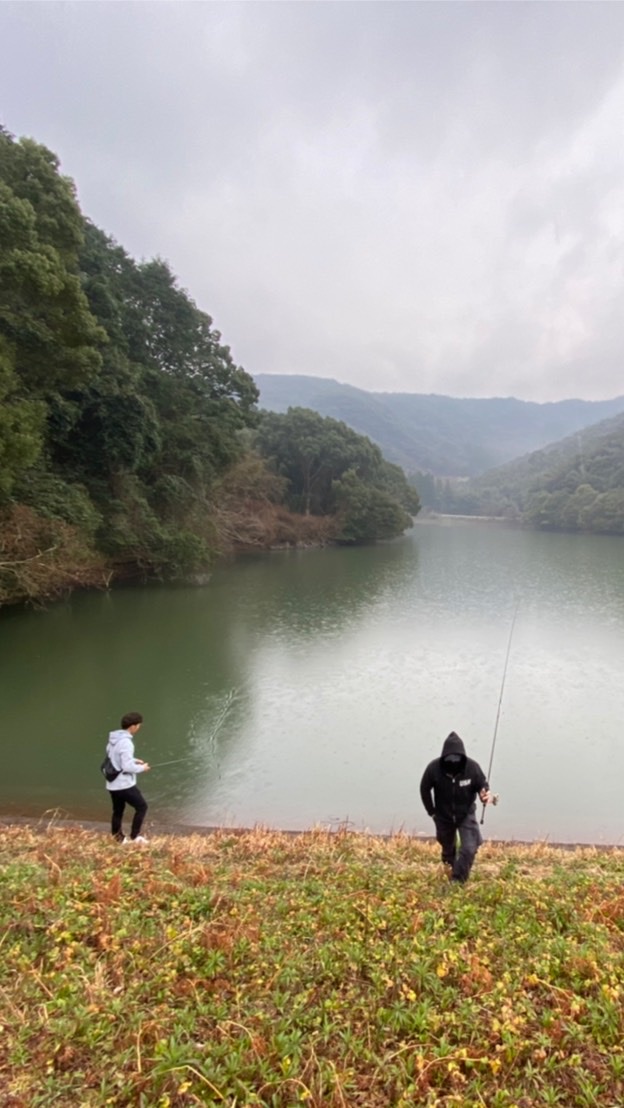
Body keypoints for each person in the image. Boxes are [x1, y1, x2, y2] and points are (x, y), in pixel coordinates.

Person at [420, 731, 491, 884]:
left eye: (457, 758)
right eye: (450, 758)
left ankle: (458, 881)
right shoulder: (433, 768)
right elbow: (424, 789)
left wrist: (484, 793)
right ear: (443, 757)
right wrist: (431, 812)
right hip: (443, 815)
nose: (453, 761)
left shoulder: (472, 768)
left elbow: (482, 784)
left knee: (469, 848)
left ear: (463, 757)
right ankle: (450, 869)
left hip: (466, 813)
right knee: (448, 849)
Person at [105, 711, 151, 843]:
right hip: (123, 784)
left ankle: (118, 837)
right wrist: (142, 768)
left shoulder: (113, 739)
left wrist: (134, 760)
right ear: (133, 727)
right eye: (138, 725)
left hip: (112, 784)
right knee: (142, 807)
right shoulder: (126, 743)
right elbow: (126, 767)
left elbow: (115, 758)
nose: (139, 727)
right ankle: (135, 836)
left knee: (118, 810)